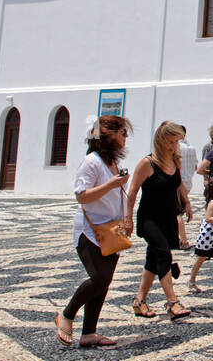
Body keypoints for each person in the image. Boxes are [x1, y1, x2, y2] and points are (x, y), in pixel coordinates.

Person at [58, 115, 133, 348]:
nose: (125, 137)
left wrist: (127, 219)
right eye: (122, 132)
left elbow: (118, 196)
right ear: (108, 135)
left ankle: (89, 333)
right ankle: (67, 315)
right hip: (90, 230)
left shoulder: (114, 163)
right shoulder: (91, 162)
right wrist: (112, 184)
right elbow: (81, 195)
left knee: (105, 281)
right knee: (98, 277)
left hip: (113, 228)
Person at [127, 121, 191, 320]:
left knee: (153, 260)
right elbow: (132, 192)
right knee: (164, 255)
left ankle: (140, 301)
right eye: (170, 142)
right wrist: (127, 219)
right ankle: (172, 302)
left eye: (176, 142)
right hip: (149, 219)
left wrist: (187, 203)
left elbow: (178, 182)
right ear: (160, 140)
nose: (173, 146)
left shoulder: (174, 159)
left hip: (167, 218)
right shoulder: (148, 163)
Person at [176, 126, 198, 249]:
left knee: (176, 213)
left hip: (179, 184)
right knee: (178, 211)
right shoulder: (192, 148)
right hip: (188, 182)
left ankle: (183, 240)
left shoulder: (177, 148)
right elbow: (196, 167)